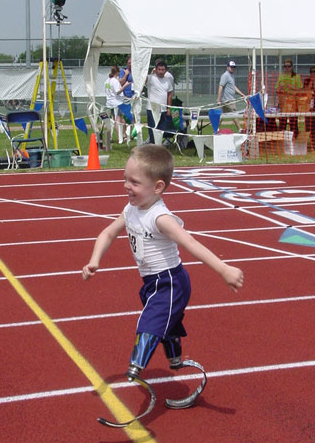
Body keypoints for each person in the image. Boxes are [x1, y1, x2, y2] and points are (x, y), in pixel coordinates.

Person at [82, 144, 244, 412]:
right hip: (152, 283)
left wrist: (223, 269)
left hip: (171, 282)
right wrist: (94, 260)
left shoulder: (161, 218)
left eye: (134, 182)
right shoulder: (130, 209)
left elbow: (191, 244)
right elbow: (107, 233)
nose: (126, 186)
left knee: (149, 322)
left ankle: (136, 366)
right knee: (166, 324)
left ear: (158, 187)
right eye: (125, 178)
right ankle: (175, 359)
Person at [146, 60, 174, 145]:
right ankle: (152, 146)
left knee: (161, 130)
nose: (161, 71)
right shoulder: (150, 78)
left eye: (163, 70)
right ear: (156, 69)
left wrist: (169, 108)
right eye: (159, 69)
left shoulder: (167, 81)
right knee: (152, 129)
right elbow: (142, 79)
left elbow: (169, 95)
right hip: (152, 109)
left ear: (165, 70)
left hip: (163, 110)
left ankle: (158, 146)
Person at [276, 58, 302, 137]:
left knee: (293, 121)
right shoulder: (281, 76)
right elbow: (277, 89)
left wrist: (291, 87)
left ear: (292, 67)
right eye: (285, 66)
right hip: (283, 101)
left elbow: (300, 89)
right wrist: (280, 88)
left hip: (293, 102)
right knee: (282, 120)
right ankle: (281, 136)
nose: (287, 68)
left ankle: (294, 136)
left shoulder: (296, 76)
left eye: (289, 66)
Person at [104, 65, 131, 144]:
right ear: (117, 72)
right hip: (116, 103)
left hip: (109, 103)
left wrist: (125, 76)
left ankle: (112, 136)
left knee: (114, 120)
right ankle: (120, 137)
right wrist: (125, 85)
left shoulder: (107, 81)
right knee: (118, 120)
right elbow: (117, 91)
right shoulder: (114, 81)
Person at [217, 60, 246, 131]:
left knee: (222, 115)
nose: (233, 68)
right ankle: (240, 129)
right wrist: (218, 99)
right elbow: (221, 86)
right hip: (228, 100)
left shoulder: (231, 76)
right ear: (227, 67)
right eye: (231, 67)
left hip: (229, 99)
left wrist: (241, 94)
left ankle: (216, 128)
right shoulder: (225, 75)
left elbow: (233, 87)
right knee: (234, 113)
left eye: (234, 67)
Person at [303, 66, 315, 149]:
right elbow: (306, 90)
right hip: (309, 105)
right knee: (310, 126)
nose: (313, 73)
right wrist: (312, 81)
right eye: (311, 72)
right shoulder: (307, 80)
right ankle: (313, 144)